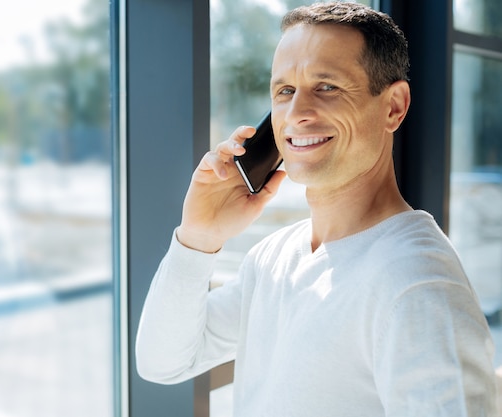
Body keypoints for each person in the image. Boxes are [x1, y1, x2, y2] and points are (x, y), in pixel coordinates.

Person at [135, 2, 498, 415]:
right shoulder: (274, 258)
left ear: (393, 107)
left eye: (327, 86)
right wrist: (198, 239)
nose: (297, 114)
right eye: (285, 91)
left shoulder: (417, 284)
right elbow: (162, 363)